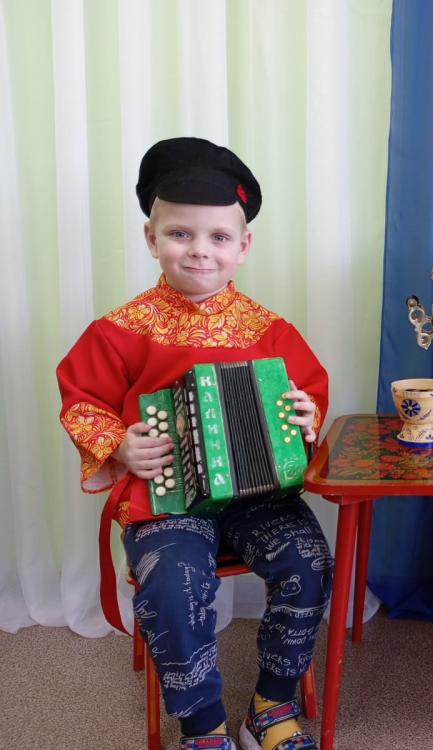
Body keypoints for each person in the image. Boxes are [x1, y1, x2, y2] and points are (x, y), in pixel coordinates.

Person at [57, 137, 331, 750]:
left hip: (259, 496)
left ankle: (271, 707)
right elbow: (81, 400)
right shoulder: (119, 330)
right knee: (172, 583)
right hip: (166, 500)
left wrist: (306, 415)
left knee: (309, 561)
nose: (200, 250)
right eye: (180, 234)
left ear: (243, 246)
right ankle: (203, 728)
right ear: (151, 239)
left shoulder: (271, 329)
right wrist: (119, 444)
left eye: (218, 237)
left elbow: (309, 393)